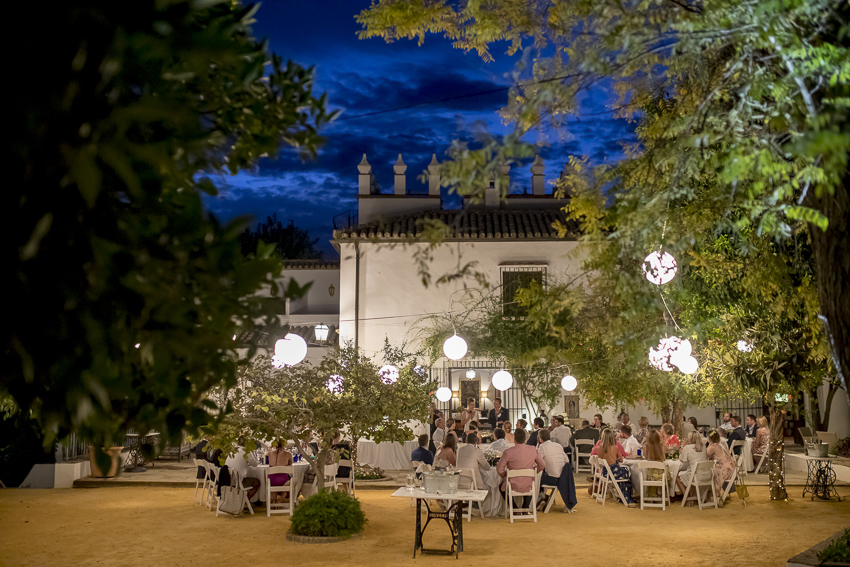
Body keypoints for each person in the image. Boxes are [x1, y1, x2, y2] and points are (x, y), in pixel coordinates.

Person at [496, 428, 545, 510]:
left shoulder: (508, 452)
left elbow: (499, 470)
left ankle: (514, 508)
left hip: (512, 484)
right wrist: (534, 472)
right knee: (529, 483)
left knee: (501, 487)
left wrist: (506, 475)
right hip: (528, 483)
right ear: (526, 438)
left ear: (514, 439)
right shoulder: (532, 449)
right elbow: (542, 464)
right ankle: (525, 508)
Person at [596, 428, 635, 505]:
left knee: (623, 473)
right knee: (626, 472)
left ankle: (622, 495)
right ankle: (626, 496)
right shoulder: (615, 447)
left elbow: (600, 458)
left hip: (605, 473)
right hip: (613, 473)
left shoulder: (600, 448)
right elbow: (621, 460)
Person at [676, 431, 711, 504]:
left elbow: (682, 459)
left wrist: (682, 446)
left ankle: (688, 498)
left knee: (678, 475)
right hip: (708, 474)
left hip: (696, 475)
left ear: (691, 439)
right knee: (690, 473)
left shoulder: (687, 447)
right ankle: (693, 496)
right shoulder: (703, 447)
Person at [706, 430, 736, 504]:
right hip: (732, 468)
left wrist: (709, 444)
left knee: (711, 473)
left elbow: (705, 455)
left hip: (725, 470)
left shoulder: (713, 447)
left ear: (709, 439)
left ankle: (715, 496)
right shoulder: (722, 444)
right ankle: (712, 494)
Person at [642, 430, 666, 498]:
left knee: (648, 471)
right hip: (661, 476)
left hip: (650, 476)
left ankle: (652, 495)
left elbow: (646, 457)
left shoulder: (646, 446)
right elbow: (663, 458)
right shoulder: (661, 446)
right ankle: (661, 492)